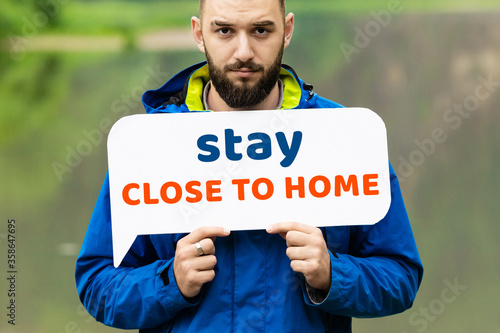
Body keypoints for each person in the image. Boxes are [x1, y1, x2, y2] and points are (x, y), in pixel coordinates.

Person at [75, 0, 423, 332]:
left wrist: (333, 274)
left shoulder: (343, 135)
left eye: (261, 30)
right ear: (199, 34)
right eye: (224, 31)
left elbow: (400, 277)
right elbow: (97, 284)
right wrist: (170, 281)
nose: (243, 51)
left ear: (286, 31)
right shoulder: (151, 143)